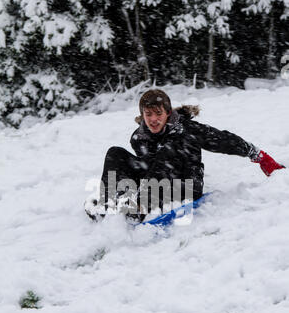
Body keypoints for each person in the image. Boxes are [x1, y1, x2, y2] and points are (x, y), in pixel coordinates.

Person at [85, 89, 285, 222]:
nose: (153, 119)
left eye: (158, 113)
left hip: (185, 184)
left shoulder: (187, 129)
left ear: (167, 112)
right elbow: (148, 167)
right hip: (156, 183)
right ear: (142, 115)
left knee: (168, 149)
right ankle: (112, 201)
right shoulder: (139, 137)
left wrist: (257, 155)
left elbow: (223, 140)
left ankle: (139, 206)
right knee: (115, 153)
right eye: (148, 114)